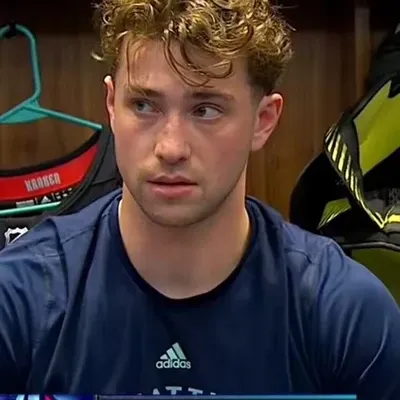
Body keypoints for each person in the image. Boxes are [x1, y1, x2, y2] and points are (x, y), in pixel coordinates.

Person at [0, 0, 399, 397]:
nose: (171, 148)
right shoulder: (20, 298)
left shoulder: (346, 313)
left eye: (205, 110)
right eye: (143, 105)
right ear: (111, 106)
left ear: (263, 121)